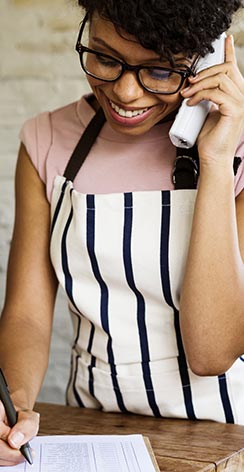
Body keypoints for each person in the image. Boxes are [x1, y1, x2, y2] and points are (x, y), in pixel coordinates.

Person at [0, 0, 244, 465]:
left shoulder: (237, 152)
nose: (127, 92)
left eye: (159, 71)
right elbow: (28, 314)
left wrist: (214, 159)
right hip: (93, 436)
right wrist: (14, 404)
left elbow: (211, 352)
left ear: (206, 58)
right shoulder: (46, 141)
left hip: (226, 446)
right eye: (106, 59)